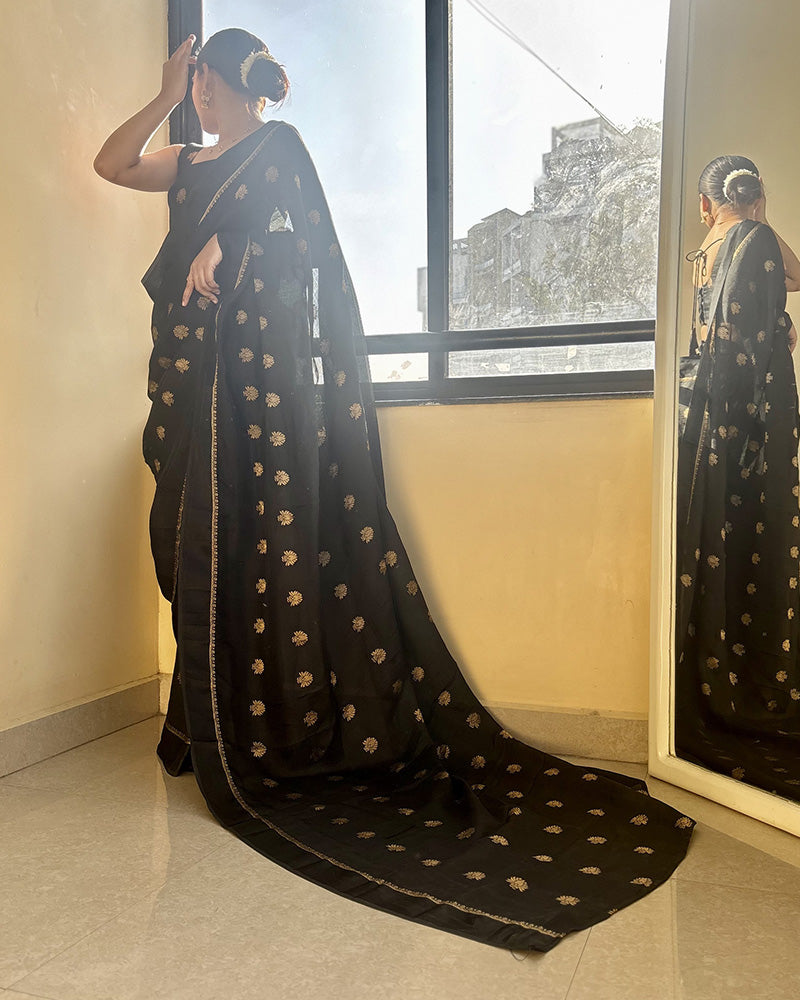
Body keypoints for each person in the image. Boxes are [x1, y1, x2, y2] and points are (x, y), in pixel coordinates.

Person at [94, 27, 693, 951]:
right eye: (193, 79)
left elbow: (311, 260)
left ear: (239, 84)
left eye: (205, 78)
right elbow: (110, 163)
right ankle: (209, 720)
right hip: (193, 394)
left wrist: (233, 242)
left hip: (256, 399)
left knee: (262, 554)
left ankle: (276, 734)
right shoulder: (188, 160)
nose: (200, 91)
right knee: (195, 548)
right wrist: (165, 93)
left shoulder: (278, 149)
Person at [676, 155, 800, 794]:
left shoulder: (703, 252)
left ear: (704, 204)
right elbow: (798, 277)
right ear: (753, 195)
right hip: (754, 411)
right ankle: (755, 667)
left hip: (705, 403)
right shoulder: (756, 238)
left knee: (710, 525)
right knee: (761, 522)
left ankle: (707, 659)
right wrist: (760, 216)